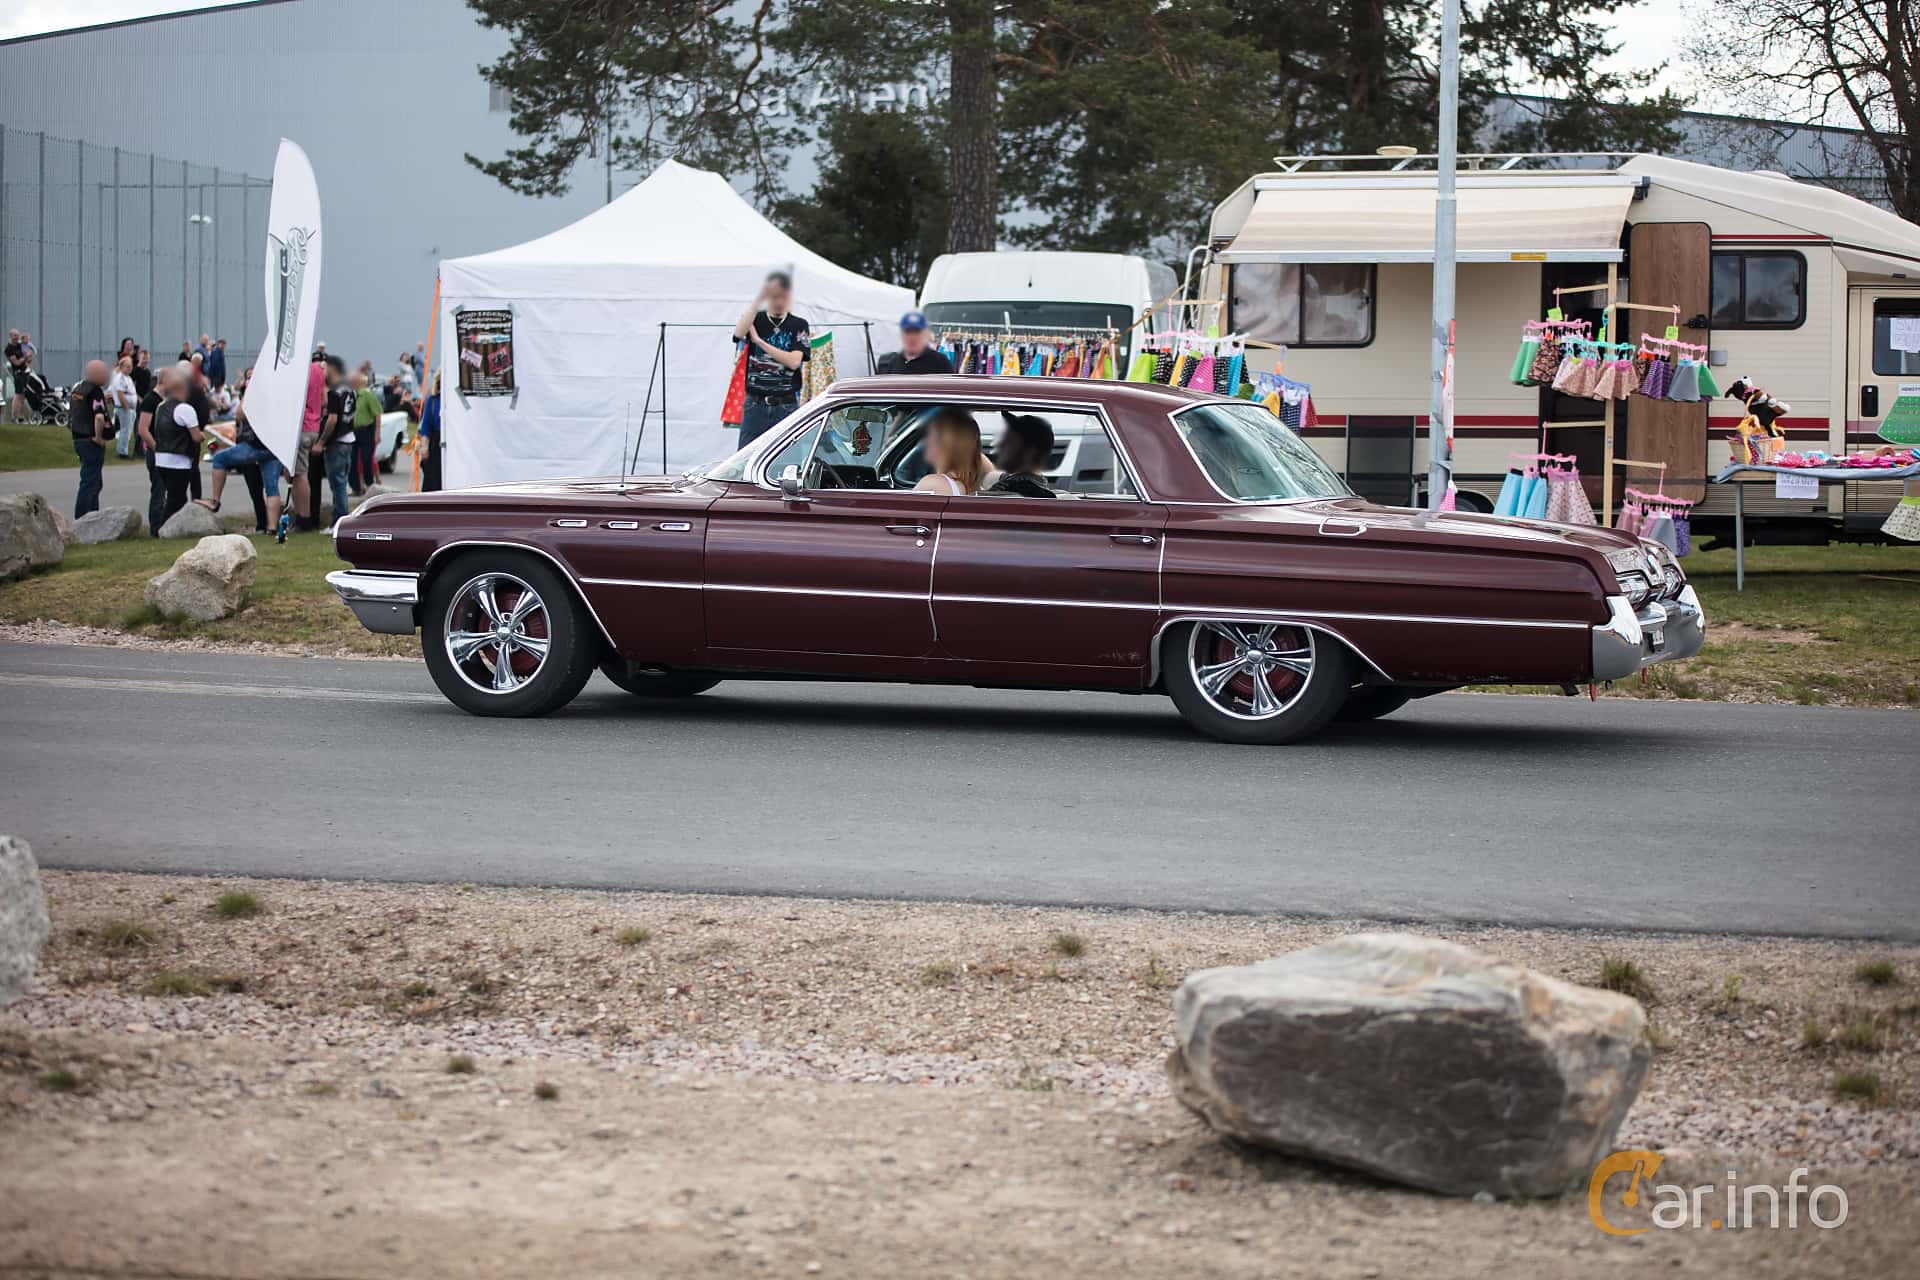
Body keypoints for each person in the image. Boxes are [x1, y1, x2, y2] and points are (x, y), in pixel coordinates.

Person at [195, 384, 284, 539]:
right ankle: (272, 528)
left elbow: (238, 414)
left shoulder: (254, 394)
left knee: (219, 459)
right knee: (272, 488)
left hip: (254, 445)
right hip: (273, 446)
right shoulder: (276, 394)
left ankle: (215, 501)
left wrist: (246, 395)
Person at [733, 271, 809, 446]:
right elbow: (738, 334)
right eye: (774, 296)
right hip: (755, 402)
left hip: (785, 403)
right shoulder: (755, 319)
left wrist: (759, 342)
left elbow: (794, 361)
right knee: (747, 454)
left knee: (787, 454)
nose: (779, 302)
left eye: (783, 297)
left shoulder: (799, 324)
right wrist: (758, 298)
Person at [149, 368, 204, 532]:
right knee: (176, 498)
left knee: (173, 495)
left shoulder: (161, 406)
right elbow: (196, 436)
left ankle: (174, 528)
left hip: (161, 458)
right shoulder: (185, 409)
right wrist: (202, 435)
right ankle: (164, 529)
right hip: (179, 460)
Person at [68, 359, 113, 519]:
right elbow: (99, 417)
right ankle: (84, 518)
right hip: (90, 440)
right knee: (91, 482)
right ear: (96, 374)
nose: (107, 376)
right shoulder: (95, 391)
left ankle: (92, 515)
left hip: (78, 438)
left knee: (91, 481)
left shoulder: (78, 389)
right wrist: (98, 437)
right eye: (104, 373)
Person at [316, 355, 356, 528]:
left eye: (324, 368)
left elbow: (332, 419)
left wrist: (321, 442)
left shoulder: (335, 391)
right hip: (349, 439)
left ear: (332, 368)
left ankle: (339, 522)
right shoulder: (349, 389)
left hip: (337, 442)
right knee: (342, 482)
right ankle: (341, 519)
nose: (322, 372)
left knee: (337, 484)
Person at [913, 408, 988, 496]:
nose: (925, 441)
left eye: (930, 435)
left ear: (946, 444)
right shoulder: (978, 488)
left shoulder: (932, 483)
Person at [985, 412, 1057, 498]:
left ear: (1028, 452)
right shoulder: (1037, 485)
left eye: (1009, 441)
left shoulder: (1006, 490)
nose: (1000, 445)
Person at [293, 355, 327, 532]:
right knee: (299, 474)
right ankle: (303, 516)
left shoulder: (298, 370)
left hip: (301, 426)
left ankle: (303, 518)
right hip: (314, 425)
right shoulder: (318, 371)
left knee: (300, 475)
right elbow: (324, 400)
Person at [876, 311, 952, 375]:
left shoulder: (940, 362)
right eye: (908, 332)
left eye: (916, 332)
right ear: (901, 335)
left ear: (925, 334)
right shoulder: (892, 362)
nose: (912, 337)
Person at [349, 371, 383, 494]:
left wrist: (377, 433)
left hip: (367, 430)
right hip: (354, 431)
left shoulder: (367, 395)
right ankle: (357, 487)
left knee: (366, 459)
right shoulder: (353, 395)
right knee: (353, 460)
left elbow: (377, 413)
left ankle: (370, 486)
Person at [108, 355, 138, 458]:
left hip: (131, 408)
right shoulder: (120, 378)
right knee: (125, 430)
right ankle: (122, 452)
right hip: (124, 408)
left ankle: (124, 449)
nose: (129, 368)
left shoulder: (128, 378)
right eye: (127, 366)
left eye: (130, 366)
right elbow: (120, 394)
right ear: (121, 367)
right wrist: (126, 407)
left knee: (128, 431)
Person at [419, 373, 443, 492]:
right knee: (433, 481)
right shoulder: (432, 401)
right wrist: (424, 446)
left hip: (455, 444)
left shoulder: (457, 401)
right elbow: (426, 426)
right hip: (436, 444)